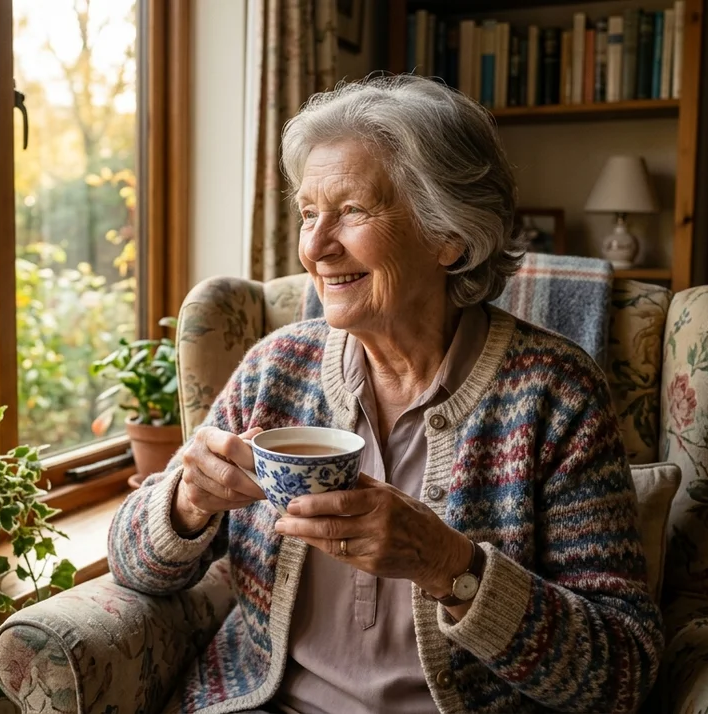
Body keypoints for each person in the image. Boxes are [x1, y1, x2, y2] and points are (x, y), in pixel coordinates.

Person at [107, 75, 661, 714]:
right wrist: (187, 502)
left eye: (352, 211)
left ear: (448, 236)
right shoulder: (276, 367)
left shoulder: (554, 395)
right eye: (309, 214)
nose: (315, 248)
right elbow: (132, 564)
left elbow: (624, 670)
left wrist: (450, 567)